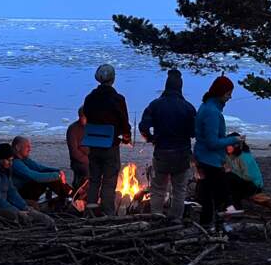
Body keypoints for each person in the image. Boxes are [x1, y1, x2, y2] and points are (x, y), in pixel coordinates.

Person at [139, 69, 197, 222]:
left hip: (162, 151)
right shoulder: (188, 107)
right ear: (180, 87)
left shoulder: (155, 104)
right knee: (179, 189)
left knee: (158, 189)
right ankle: (175, 219)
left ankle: (157, 217)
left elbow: (143, 126)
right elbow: (194, 132)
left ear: (166, 86)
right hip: (182, 152)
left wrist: (151, 138)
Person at [82, 63, 132, 216]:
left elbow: (87, 116)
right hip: (110, 145)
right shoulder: (117, 99)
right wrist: (126, 137)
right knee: (109, 181)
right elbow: (124, 123)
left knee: (94, 179)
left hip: (93, 145)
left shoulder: (89, 98)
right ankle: (107, 212)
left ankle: (90, 212)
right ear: (113, 79)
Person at [194, 75, 243, 229]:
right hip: (210, 161)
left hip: (204, 158)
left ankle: (208, 225)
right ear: (221, 93)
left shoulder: (206, 106)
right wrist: (234, 140)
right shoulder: (212, 112)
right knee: (222, 194)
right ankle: (224, 223)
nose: (230, 97)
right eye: (228, 93)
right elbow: (212, 142)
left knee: (207, 194)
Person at [0, 143, 54, 227]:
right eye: (8, 160)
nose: (11, 163)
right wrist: (17, 212)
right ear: (0, 159)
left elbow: (12, 192)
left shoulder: (3, 169)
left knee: (32, 210)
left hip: (1, 204)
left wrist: (25, 207)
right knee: (21, 217)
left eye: (11, 160)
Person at [9, 136, 72, 203]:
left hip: (26, 188)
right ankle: (71, 195)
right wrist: (58, 176)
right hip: (19, 194)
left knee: (49, 174)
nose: (30, 149)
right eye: (27, 147)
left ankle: (70, 194)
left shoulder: (24, 159)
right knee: (48, 179)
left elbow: (39, 168)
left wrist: (58, 171)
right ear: (17, 147)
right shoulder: (15, 163)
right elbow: (35, 176)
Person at [223, 138, 264, 209]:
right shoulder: (232, 155)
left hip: (254, 187)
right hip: (245, 183)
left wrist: (232, 171)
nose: (227, 147)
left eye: (229, 145)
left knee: (229, 177)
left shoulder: (244, 156)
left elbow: (248, 177)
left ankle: (235, 206)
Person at [65, 107, 89, 189]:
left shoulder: (91, 128)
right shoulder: (73, 129)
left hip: (91, 158)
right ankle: (79, 191)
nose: (85, 119)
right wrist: (87, 160)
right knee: (87, 170)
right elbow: (74, 151)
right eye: (83, 117)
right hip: (79, 161)